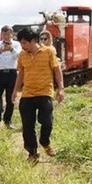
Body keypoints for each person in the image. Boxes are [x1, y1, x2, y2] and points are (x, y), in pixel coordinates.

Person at [11, 28, 65, 163]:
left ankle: (45, 142)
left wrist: (61, 89)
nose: (22, 46)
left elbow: (57, 70)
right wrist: (15, 91)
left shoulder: (49, 52)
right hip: (27, 94)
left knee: (47, 121)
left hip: (45, 93)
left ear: (33, 41)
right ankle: (32, 153)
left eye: (25, 43)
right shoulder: (22, 55)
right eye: (21, 43)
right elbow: (21, 74)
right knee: (27, 126)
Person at [0, 25, 20, 128]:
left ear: (12, 34)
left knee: (10, 98)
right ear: (1, 34)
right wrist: (0, 51)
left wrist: (11, 49)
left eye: (7, 34)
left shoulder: (16, 44)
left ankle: (8, 120)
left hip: (11, 73)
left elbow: (18, 56)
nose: (6, 36)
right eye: (4, 34)